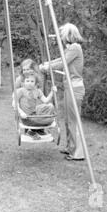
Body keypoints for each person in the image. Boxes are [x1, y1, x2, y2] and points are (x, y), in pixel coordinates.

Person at [39, 23, 85, 161]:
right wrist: (47, 64)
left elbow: (62, 63)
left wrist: (47, 67)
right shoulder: (71, 48)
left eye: (62, 35)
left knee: (73, 120)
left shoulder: (75, 48)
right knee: (67, 120)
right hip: (69, 87)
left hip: (74, 88)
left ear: (68, 35)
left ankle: (77, 153)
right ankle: (70, 147)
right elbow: (60, 60)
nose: (60, 38)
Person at [15, 73, 56, 140]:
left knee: (50, 106)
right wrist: (21, 113)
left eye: (32, 81)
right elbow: (15, 104)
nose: (29, 83)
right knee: (49, 120)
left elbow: (45, 100)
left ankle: (37, 129)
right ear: (23, 82)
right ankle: (34, 130)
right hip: (26, 117)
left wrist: (52, 92)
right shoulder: (21, 91)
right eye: (27, 81)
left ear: (35, 83)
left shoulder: (37, 91)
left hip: (34, 114)